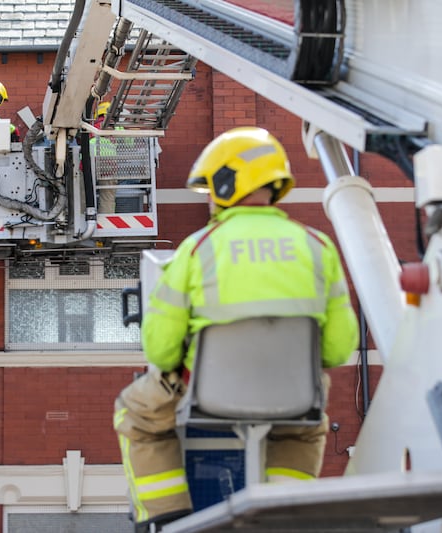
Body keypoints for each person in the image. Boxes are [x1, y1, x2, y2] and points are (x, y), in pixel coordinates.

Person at [113, 127, 359, 532]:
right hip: (293, 399)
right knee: (304, 431)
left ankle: (166, 515)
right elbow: (337, 349)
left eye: (212, 187)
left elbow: (160, 350)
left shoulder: (197, 248)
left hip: (210, 398)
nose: (210, 198)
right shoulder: (319, 247)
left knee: (135, 413)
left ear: (229, 182)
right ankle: (282, 513)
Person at [89, 101, 118, 213]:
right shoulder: (117, 128)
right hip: (108, 166)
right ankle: (107, 219)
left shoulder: (90, 127)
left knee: (84, 194)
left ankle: (83, 216)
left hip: (89, 165)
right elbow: (129, 142)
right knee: (107, 196)